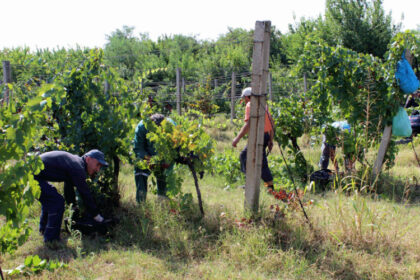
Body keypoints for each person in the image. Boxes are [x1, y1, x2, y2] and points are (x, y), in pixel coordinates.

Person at [34, 149, 108, 243]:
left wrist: (73, 208)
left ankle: (44, 229)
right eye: (98, 164)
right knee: (56, 201)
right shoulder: (78, 167)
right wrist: (97, 216)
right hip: (31, 177)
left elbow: (68, 188)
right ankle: (51, 240)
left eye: (100, 167)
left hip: (32, 175)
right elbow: (85, 193)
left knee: (51, 197)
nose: (98, 169)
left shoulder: (75, 163)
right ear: (88, 159)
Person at [232, 87, 275, 191]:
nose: (245, 101)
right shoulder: (263, 105)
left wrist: (237, 139)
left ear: (247, 97)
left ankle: (266, 187)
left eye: (245, 99)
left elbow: (248, 125)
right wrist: (270, 140)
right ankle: (261, 185)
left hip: (257, 137)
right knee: (252, 158)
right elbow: (272, 123)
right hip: (265, 136)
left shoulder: (250, 105)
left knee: (250, 158)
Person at [133, 113, 174, 202]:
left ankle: (163, 204)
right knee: (140, 171)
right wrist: (148, 159)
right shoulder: (141, 127)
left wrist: (168, 160)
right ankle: (141, 203)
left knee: (164, 177)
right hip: (147, 155)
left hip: (164, 156)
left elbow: (174, 147)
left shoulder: (171, 127)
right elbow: (138, 147)